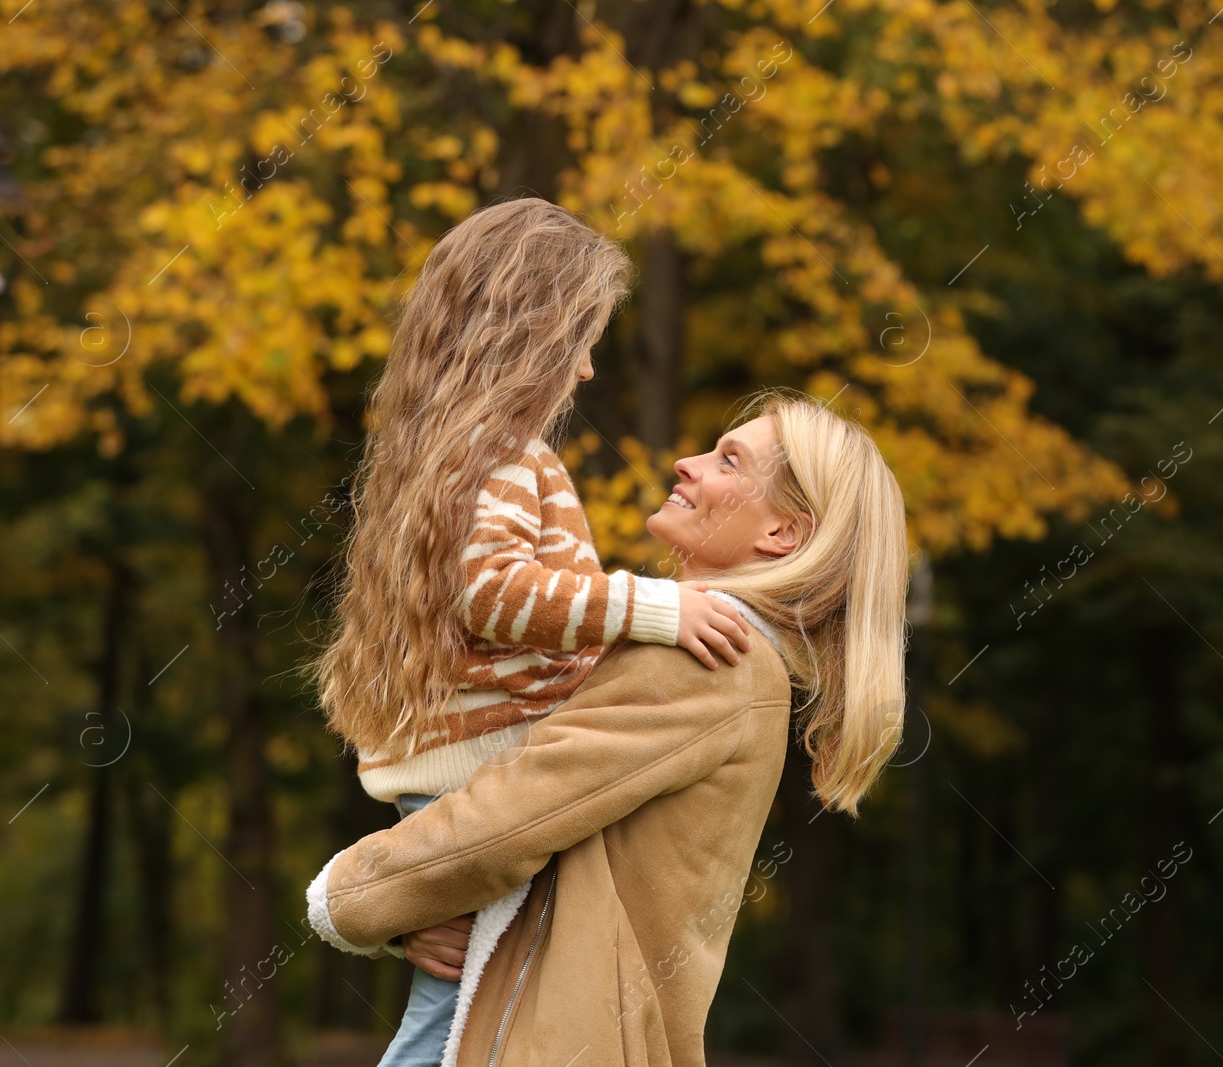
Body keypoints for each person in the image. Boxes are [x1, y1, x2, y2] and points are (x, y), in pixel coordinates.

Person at [308, 393, 910, 1066]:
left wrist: (346, 897)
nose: (688, 463)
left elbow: (505, 822)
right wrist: (421, 920)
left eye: (728, 459)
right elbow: (557, 854)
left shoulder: (706, 663)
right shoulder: (722, 660)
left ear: (782, 535)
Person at [307, 197, 756, 1067]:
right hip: (480, 783)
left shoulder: (445, 453)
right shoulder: (508, 457)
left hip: (455, 787)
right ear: (532, 335)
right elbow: (496, 593)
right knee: (454, 1027)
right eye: (581, 340)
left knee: (467, 1014)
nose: (587, 370)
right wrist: (657, 608)